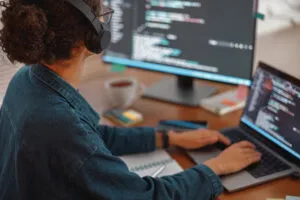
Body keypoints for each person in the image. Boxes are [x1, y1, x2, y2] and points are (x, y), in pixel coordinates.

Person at [0, 0, 261, 199]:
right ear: (91, 36)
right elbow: (146, 196)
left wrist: (168, 138)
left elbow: (90, 138)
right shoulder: (57, 123)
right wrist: (216, 167)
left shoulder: (28, 80)